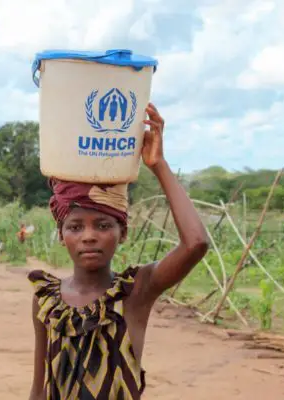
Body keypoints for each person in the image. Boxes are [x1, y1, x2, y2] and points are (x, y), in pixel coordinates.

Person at [27, 103, 209, 400]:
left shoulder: (135, 292)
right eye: (75, 227)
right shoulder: (46, 300)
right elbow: (39, 388)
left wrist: (158, 165)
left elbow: (196, 244)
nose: (88, 237)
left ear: (122, 232)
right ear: (61, 235)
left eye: (102, 225)